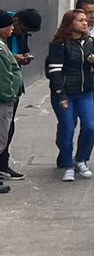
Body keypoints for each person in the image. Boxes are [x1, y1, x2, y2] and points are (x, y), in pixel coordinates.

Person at [46, 9, 94, 181]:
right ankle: (67, 165)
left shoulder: (89, 41)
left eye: (85, 20)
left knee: (91, 128)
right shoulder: (59, 44)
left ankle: (80, 159)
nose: (85, 22)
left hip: (85, 93)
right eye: (80, 20)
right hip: (66, 94)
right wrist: (60, 95)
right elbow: (54, 71)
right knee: (67, 129)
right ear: (70, 23)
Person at [0, 10, 39, 181]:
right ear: (15, 21)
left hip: (12, 91)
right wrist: (13, 58)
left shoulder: (18, 32)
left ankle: (3, 165)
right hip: (4, 92)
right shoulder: (5, 24)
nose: (23, 34)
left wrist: (24, 57)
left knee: (7, 129)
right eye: (22, 30)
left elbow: (23, 50)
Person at [0, 11, 22, 193]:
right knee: (1, 139)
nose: (12, 28)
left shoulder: (3, 45)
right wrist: (9, 96)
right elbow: (4, 77)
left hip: (6, 100)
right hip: (4, 101)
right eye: (10, 25)